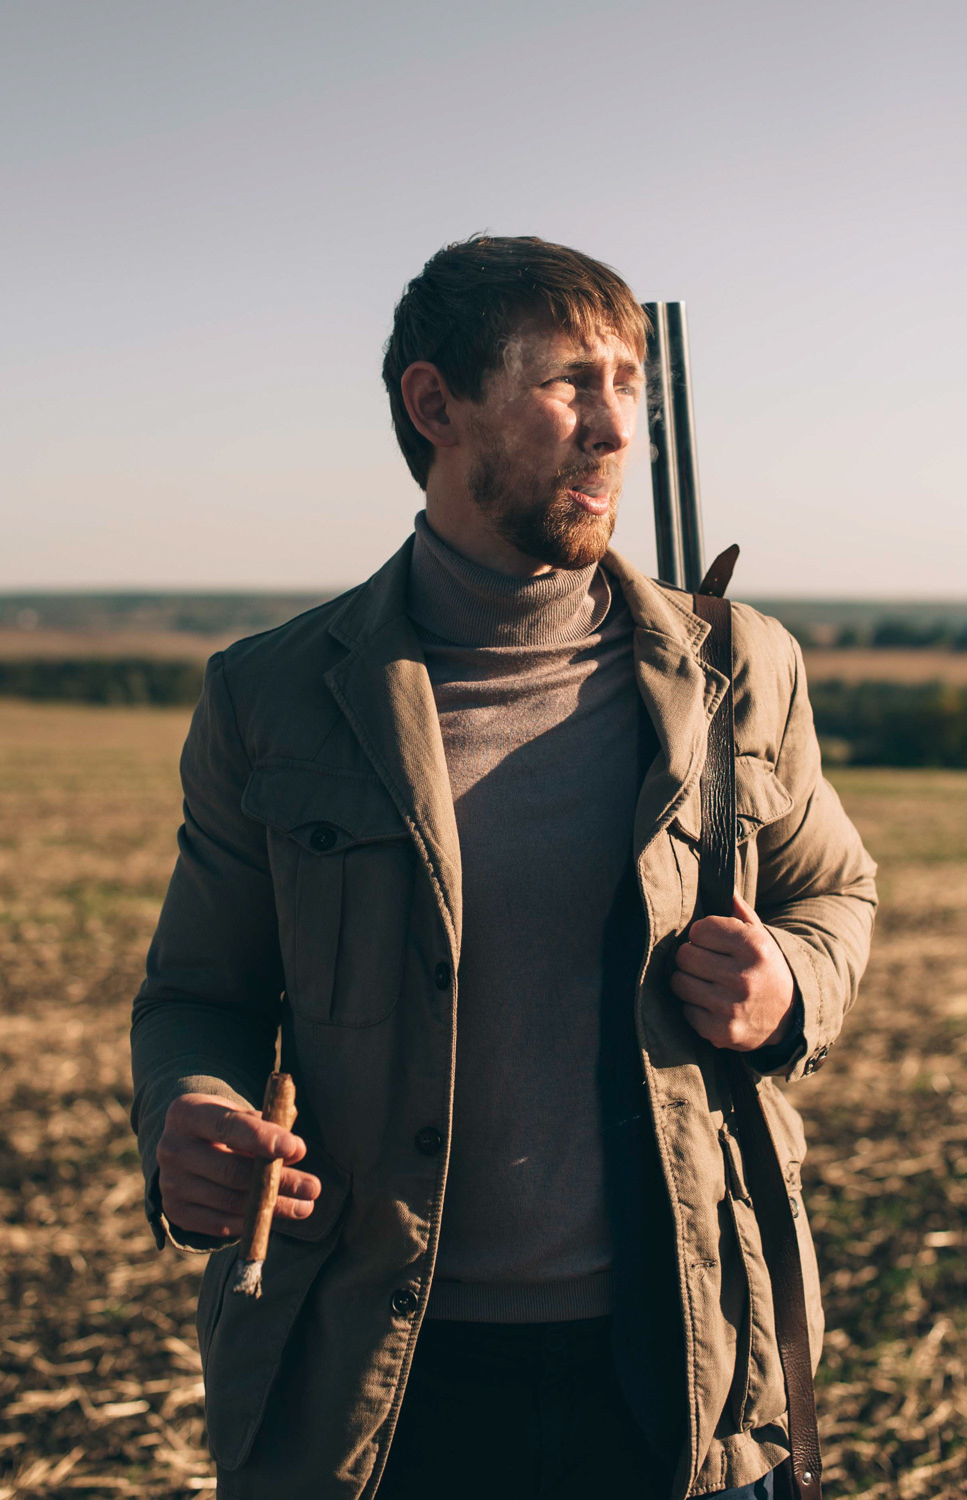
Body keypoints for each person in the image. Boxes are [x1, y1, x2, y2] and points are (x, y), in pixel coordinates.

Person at [131, 236, 877, 1500]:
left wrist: (786, 984)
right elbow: (198, 992)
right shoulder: (272, 698)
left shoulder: (740, 665)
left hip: (683, 1355)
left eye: (628, 384)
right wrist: (187, 1116)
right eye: (568, 382)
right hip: (384, 1377)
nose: (613, 430)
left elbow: (834, 895)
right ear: (435, 405)